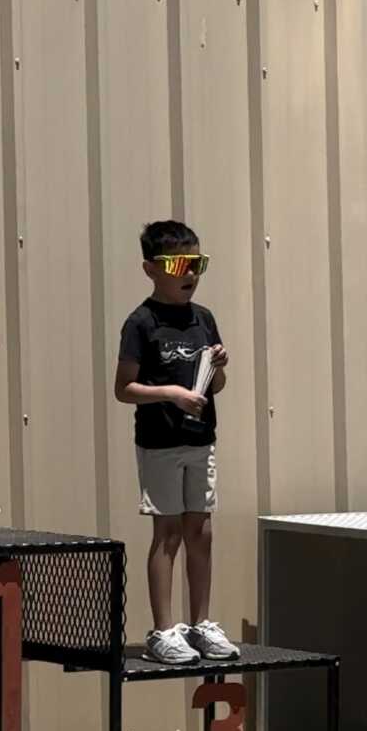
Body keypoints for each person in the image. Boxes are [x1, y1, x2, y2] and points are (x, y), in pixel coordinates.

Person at [114, 220, 239, 663]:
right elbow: (123, 388)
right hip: (160, 443)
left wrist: (220, 365)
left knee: (200, 530)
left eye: (197, 263)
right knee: (167, 533)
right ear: (151, 269)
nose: (191, 273)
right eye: (179, 264)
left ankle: (200, 624)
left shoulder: (203, 319)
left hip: (200, 439)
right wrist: (170, 394)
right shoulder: (141, 322)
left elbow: (216, 385)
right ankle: (163, 630)